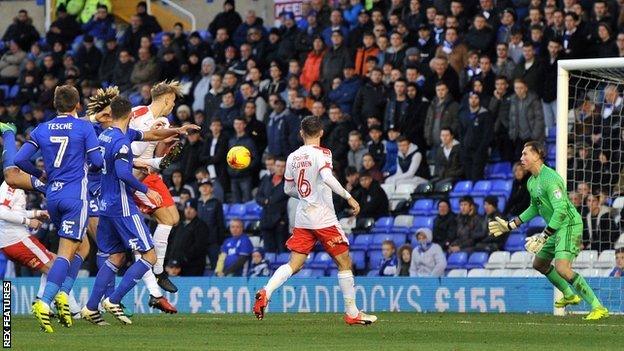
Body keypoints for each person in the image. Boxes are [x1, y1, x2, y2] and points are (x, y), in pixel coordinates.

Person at [253, 115, 377, 325]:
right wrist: (349, 197)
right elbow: (327, 177)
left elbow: (287, 189)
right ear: (321, 133)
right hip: (324, 218)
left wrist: (305, 196)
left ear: (301, 133)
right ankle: (353, 313)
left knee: (294, 264)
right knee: (344, 261)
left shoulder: (292, 157)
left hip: (303, 218)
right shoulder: (323, 153)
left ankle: (267, 291)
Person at [14, 85, 103, 332]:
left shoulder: (42, 128)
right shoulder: (84, 127)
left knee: (81, 245)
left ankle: (63, 294)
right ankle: (45, 302)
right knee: (65, 252)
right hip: (75, 195)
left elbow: (20, 160)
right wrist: (89, 167)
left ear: (55, 105)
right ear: (77, 105)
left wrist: (40, 172)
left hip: (52, 195)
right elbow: (96, 161)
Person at [488, 141, 608, 320]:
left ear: (537, 155)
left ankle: (598, 307)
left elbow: (560, 211)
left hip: (568, 225)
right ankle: (569, 294)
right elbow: (534, 208)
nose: (521, 158)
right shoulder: (531, 181)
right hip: (555, 228)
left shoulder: (550, 179)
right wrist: (511, 225)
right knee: (539, 264)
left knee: (562, 268)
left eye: (525, 154)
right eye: (521, 155)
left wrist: (544, 236)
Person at [79, 96, 162, 327]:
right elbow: (123, 174)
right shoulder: (122, 142)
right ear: (131, 115)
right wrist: (148, 190)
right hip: (122, 205)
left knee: (115, 256)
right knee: (150, 256)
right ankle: (114, 300)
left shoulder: (105, 135)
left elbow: (145, 137)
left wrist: (177, 130)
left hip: (104, 204)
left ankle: (90, 307)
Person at [168, 199, 210, 276]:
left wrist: (184, 257)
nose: (188, 211)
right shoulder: (180, 225)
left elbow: (199, 246)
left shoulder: (201, 225)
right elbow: (172, 242)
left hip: (193, 266)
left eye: (191, 208)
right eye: (186, 208)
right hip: (176, 265)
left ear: (196, 211)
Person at [256, 157, 289, 253]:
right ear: (274, 166)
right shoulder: (266, 179)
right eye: (278, 166)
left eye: (283, 166)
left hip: (280, 223)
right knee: (268, 252)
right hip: (266, 220)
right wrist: (265, 201)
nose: (280, 168)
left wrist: (283, 221)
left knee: (282, 251)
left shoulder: (289, 182)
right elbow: (258, 196)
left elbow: (290, 203)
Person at [460, 92, 493, 181]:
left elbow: (487, 135)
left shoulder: (485, 114)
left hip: (479, 152)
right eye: (471, 98)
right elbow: (461, 133)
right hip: (466, 152)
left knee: (476, 177)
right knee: (468, 178)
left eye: (476, 98)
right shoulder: (464, 115)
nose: (473, 100)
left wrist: (481, 150)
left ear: (480, 100)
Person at [227, 116, 259, 202]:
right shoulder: (231, 140)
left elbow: (255, 159)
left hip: (245, 177)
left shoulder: (249, 141)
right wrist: (230, 170)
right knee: (235, 202)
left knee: (247, 200)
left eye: (240, 124)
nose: (238, 126)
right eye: (236, 124)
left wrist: (245, 169)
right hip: (233, 177)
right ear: (233, 125)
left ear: (244, 125)